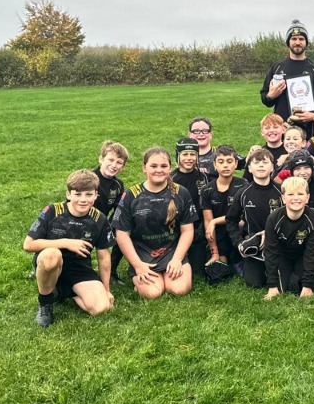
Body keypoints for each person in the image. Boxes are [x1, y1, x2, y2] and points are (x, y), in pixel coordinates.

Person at [24, 170, 115, 327]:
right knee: (52, 255)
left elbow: (104, 257)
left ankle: (63, 290)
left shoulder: (99, 219)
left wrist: (106, 290)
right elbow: (28, 245)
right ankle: (45, 304)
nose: (83, 199)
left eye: (88, 194)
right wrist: (66, 243)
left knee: (102, 307)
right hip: (50, 262)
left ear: (96, 195)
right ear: (68, 194)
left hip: (79, 267)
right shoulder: (53, 211)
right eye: (77, 194)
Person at [112, 147, 197, 299]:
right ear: (144, 167)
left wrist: (177, 259)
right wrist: (138, 265)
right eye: (153, 166)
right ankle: (139, 277)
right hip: (143, 253)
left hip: (172, 251)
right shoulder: (131, 195)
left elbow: (188, 230)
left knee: (179, 289)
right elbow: (122, 234)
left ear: (170, 168)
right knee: (152, 293)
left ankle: (170, 270)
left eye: (164, 166)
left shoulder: (181, 192)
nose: (159, 170)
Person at [259, 20, 314, 138]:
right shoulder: (278, 68)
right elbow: (265, 99)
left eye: (301, 39)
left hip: (309, 130)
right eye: (294, 39)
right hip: (283, 129)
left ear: (306, 42)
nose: (297, 42)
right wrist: (271, 96)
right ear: (288, 42)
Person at [226, 148, 283, 288]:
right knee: (254, 283)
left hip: (279, 242)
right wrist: (239, 242)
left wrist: (270, 233)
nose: (261, 165)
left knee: (283, 279)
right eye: (256, 163)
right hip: (254, 244)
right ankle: (244, 261)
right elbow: (231, 220)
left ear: (272, 167)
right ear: (250, 168)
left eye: (265, 162)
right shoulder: (243, 193)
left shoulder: (281, 192)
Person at [263, 177, 314, 300]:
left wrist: (307, 285)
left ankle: (297, 275)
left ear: (307, 197)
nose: (296, 198)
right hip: (283, 255)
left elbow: (313, 252)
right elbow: (270, 252)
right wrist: (272, 285)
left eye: (300, 194)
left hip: (303, 255)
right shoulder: (273, 218)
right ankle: (290, 276)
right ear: (283, 198)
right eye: (290, 194)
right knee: (280, 288)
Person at [200, 145, 248, 275]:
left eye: (229, 161)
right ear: (214, 165)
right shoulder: (207, 190)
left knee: (240, 224)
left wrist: (215, 221)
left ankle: (238, 256)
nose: (225, 165)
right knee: (217, 268)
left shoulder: (243, 185)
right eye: (221, 162)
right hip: (217, 233)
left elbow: (242, 218)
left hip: (237, 229)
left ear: (236, 164)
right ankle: (219, 255)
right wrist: (214, 252)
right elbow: (208, 222)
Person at [170, 137, 211, 275]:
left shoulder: (203, 177)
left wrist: (202, 228)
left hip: (198, 227)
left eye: (193, 154)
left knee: (197, 269)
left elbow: (206, 205)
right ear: (178, 155)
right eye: (185, 154)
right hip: (176, 227)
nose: (189, 158)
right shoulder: (171, 178)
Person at [92, 140, 129, 285]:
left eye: (119, 162)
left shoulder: (118, 185)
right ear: (101, 159)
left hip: (102, 223)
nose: (114, 165)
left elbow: (118, 210)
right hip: (82, 221)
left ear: (123, 166)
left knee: (123, 231)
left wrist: (113, 225)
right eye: (110, 160)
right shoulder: (89, 178)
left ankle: (111, 271)